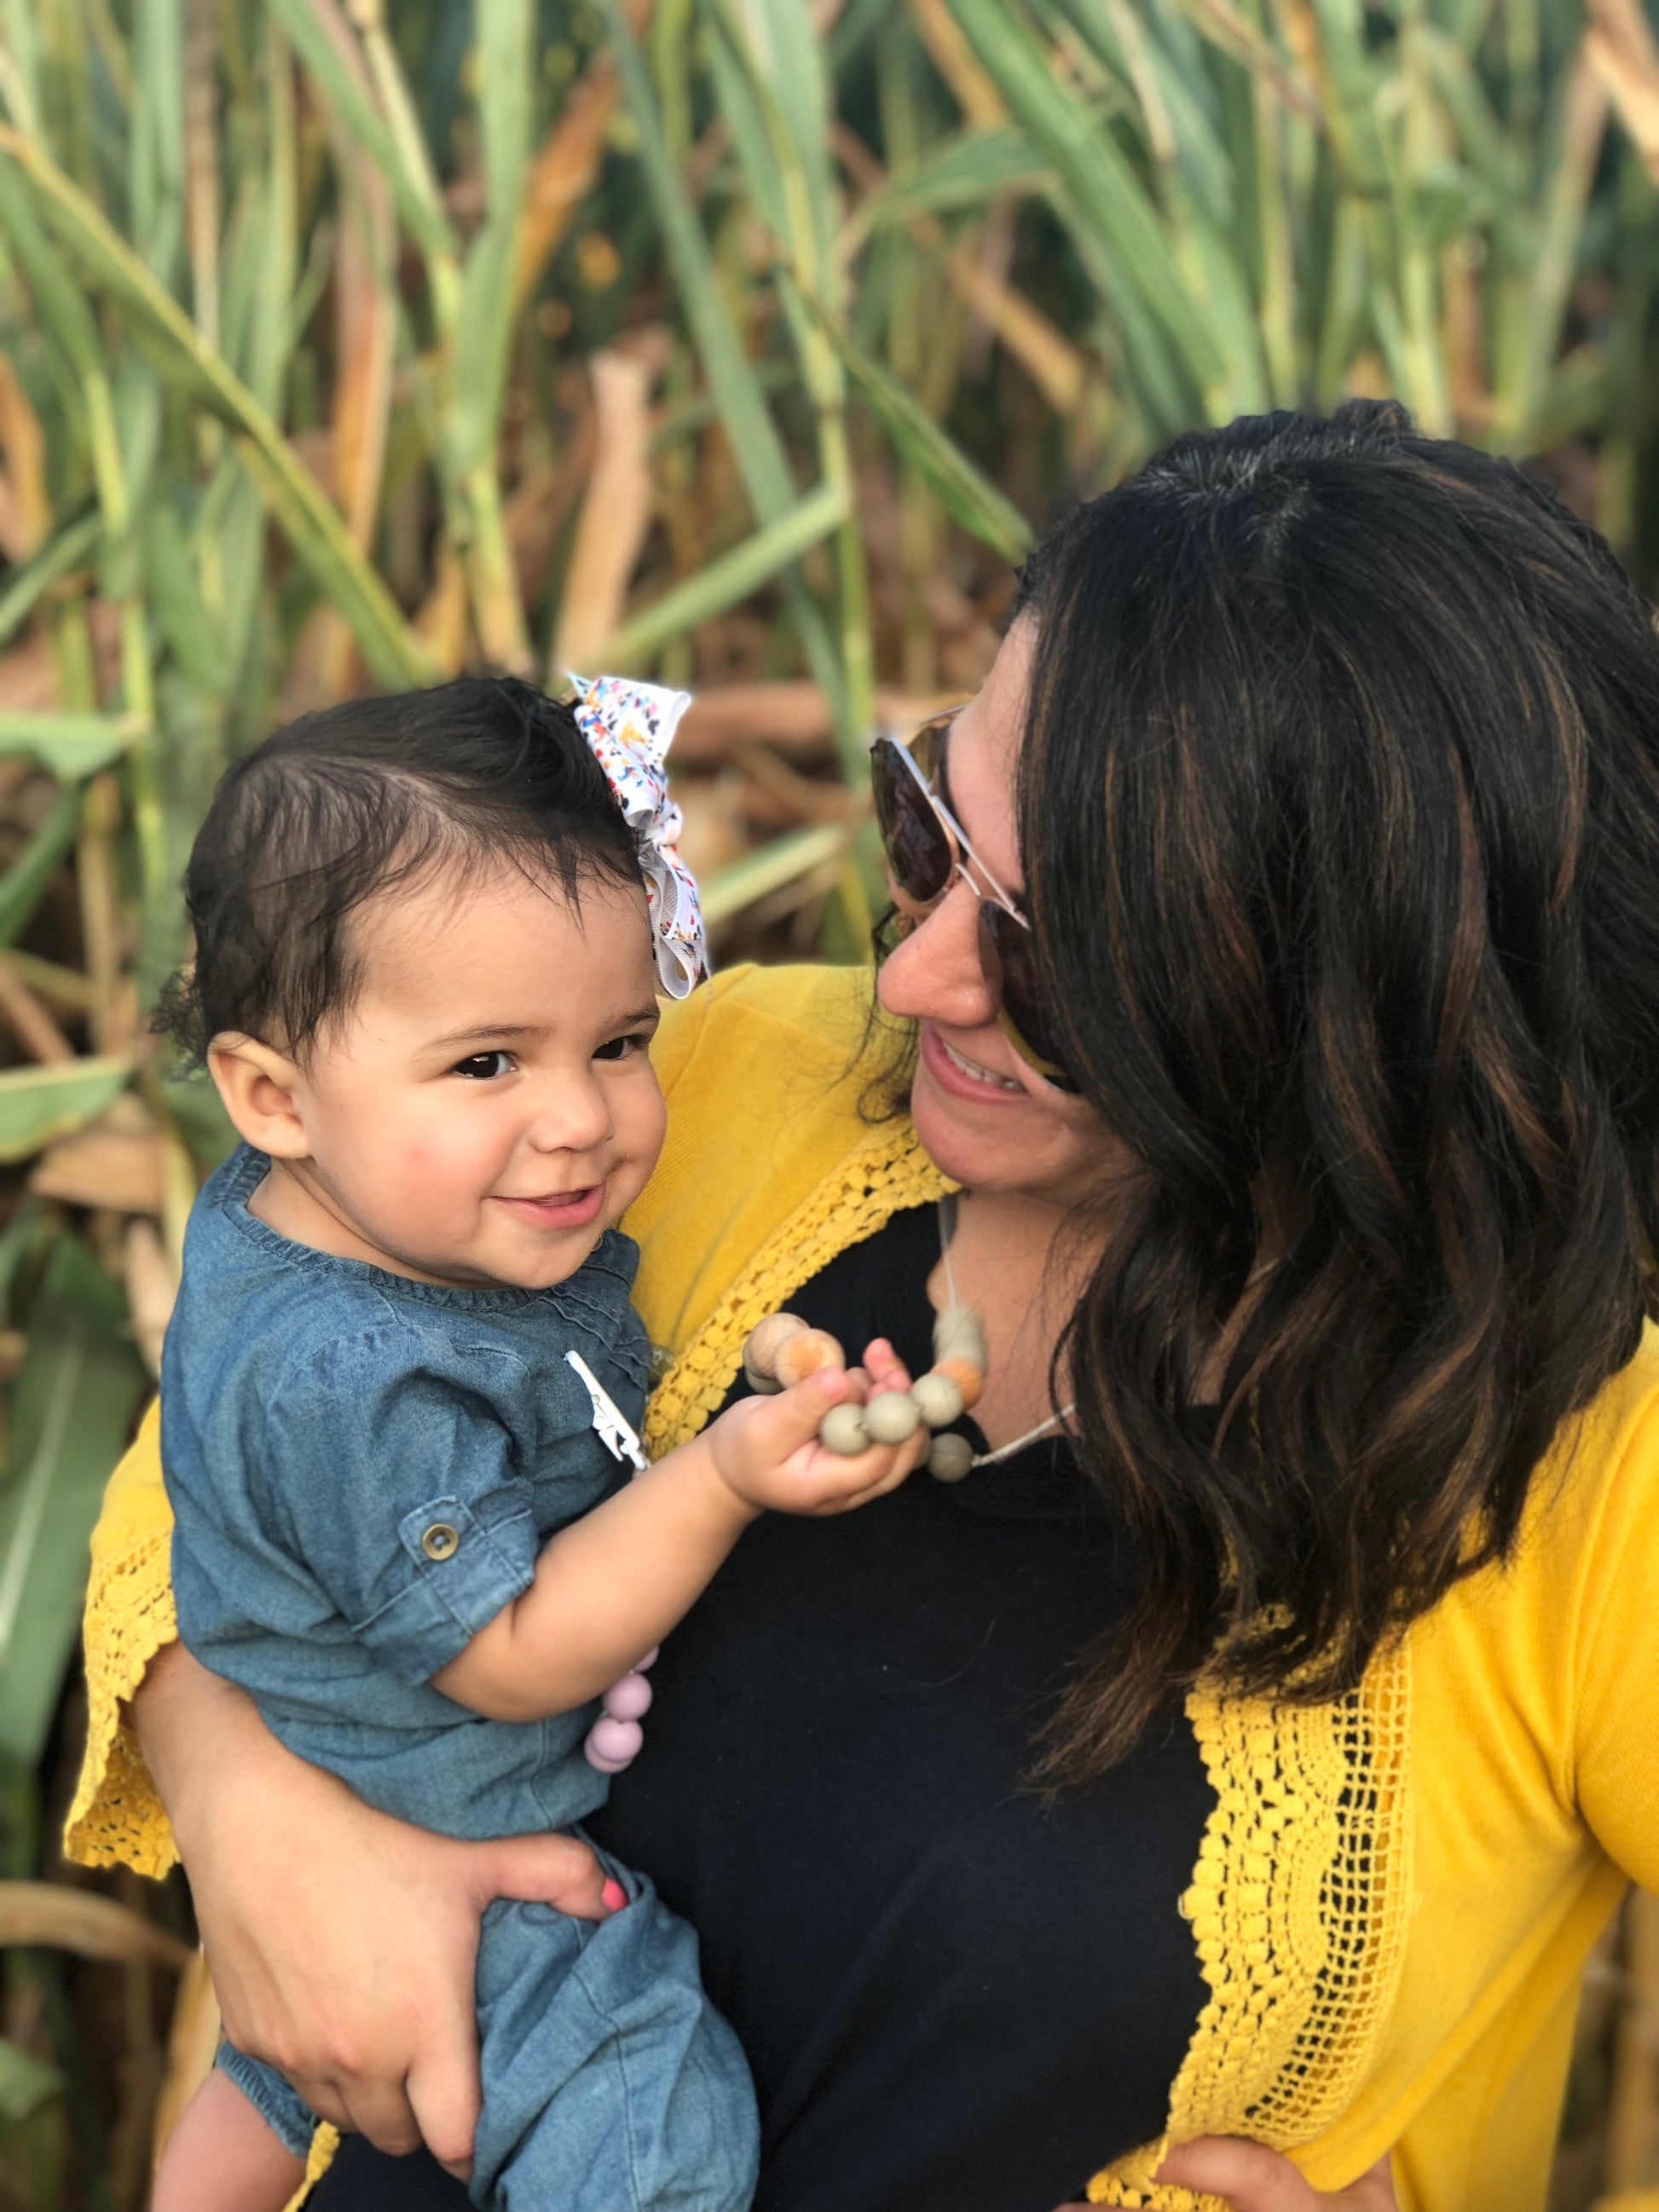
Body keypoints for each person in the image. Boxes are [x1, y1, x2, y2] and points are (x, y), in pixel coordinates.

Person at [68, 402, 1659, 2212]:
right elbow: (238, 1430)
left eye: (1055, 957)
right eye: (927, 828)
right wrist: (251, 1808)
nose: (913, 975)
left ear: (1348, 1024)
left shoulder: (1596, 1482)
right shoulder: (707, 1089)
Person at [144, 673, 926, 2212]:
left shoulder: (338, 1218)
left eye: (620, 1039)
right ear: (270, 1095)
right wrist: (720, 1477)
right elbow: (506, 1654)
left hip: (338, 1766)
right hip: (449, 1843)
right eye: (489, 1063)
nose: (580, 1118)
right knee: (646, 2100)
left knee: (269, 2096)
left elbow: (587, 1372)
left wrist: (758, 1352)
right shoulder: (361, 1381)